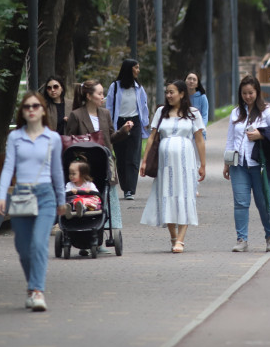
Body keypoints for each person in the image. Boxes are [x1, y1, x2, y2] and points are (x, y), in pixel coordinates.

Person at [0, 92, 65, 312]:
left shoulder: (52, 138)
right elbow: (8, 167)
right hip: (21, 196)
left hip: (45, 196)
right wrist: (1, 196)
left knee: (38, 244)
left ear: (43, 110)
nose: (32, 109)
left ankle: (37, 291)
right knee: (23, 249)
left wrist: (62, 199)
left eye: (36, 106)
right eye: (27, 107)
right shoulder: (15, 137)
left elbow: (57, 172)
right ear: (22, 112)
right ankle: (31, 286)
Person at [139, 80, 207, 253]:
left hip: (186, 164)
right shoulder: (161, 112)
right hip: (165, 166)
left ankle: (181, 240)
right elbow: (152, 137)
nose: (169, 95)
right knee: (167, 195)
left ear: (182, 94)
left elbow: (199, 140)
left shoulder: (193, 113)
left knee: (185, 196)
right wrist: (144, 160)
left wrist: (203, 165)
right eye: (167, 92)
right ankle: (173, 236)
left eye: (172, 92)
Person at [67, 79, 133, 255]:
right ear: (88, 96)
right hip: (84, 166)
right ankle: (83, 239)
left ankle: (99, 238)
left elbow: (111, 137)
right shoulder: (76, 115)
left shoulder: (105, 114)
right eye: (99, 94)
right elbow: (69, 141)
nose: (102, 97)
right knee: (85, 197)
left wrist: (124, 130)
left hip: (104, 163)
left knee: (104, 199)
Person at [224, 75, 270, 253]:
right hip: (239, 165)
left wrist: (262, 135)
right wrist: (227, 163)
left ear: (257, 92)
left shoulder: (269, 112)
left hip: (261, 166)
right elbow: (230, 139)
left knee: (264, 201)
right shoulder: (236, 112)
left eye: (251, 93)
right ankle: (242, 239)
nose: (248, 96)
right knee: (240, 203)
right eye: (244, 93)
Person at [105, 59, 150, 200]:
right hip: (119, 123)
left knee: (133, 157)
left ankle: (130, 189)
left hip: (135, 122)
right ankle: (125, 186)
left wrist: (145, 122)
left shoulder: (139, 87)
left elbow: (143, 106)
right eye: (136, 68)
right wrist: (110, 125)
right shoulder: (115, 87)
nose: (138, 70)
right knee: (121, 156)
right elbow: (109, 106)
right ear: (129, 69)